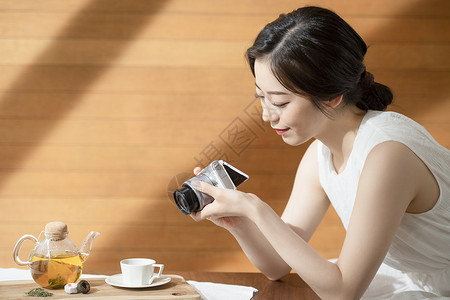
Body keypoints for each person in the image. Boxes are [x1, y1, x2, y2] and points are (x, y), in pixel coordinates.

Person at [189, 6, 450, 299]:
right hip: (413, 278)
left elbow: (342, 291)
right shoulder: (320, 154)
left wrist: (256, 209)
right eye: (261, 97)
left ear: (331, 97)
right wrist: (240, 222)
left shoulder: (388, 155)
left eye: (280, 102)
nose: (267, 116)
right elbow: (277, 265)